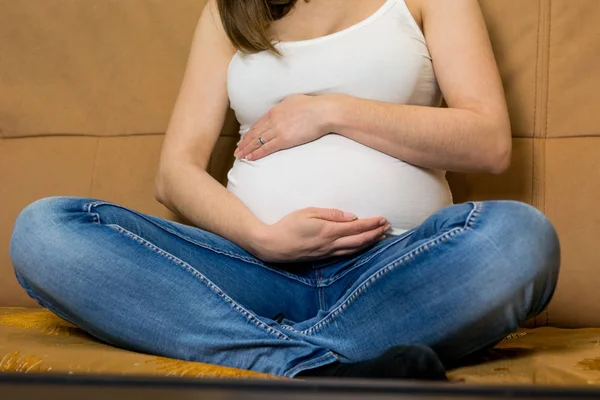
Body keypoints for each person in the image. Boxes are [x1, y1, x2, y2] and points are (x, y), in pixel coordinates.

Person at [9, 0, 560, 380]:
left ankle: (270, 356)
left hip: (393, 268)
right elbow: (174, 173)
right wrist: (261, 237)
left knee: (522, 238)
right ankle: (326, 366)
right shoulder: (231, 12)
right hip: (247, 269)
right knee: (45, 231)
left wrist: (328, 111)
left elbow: (488, 143)